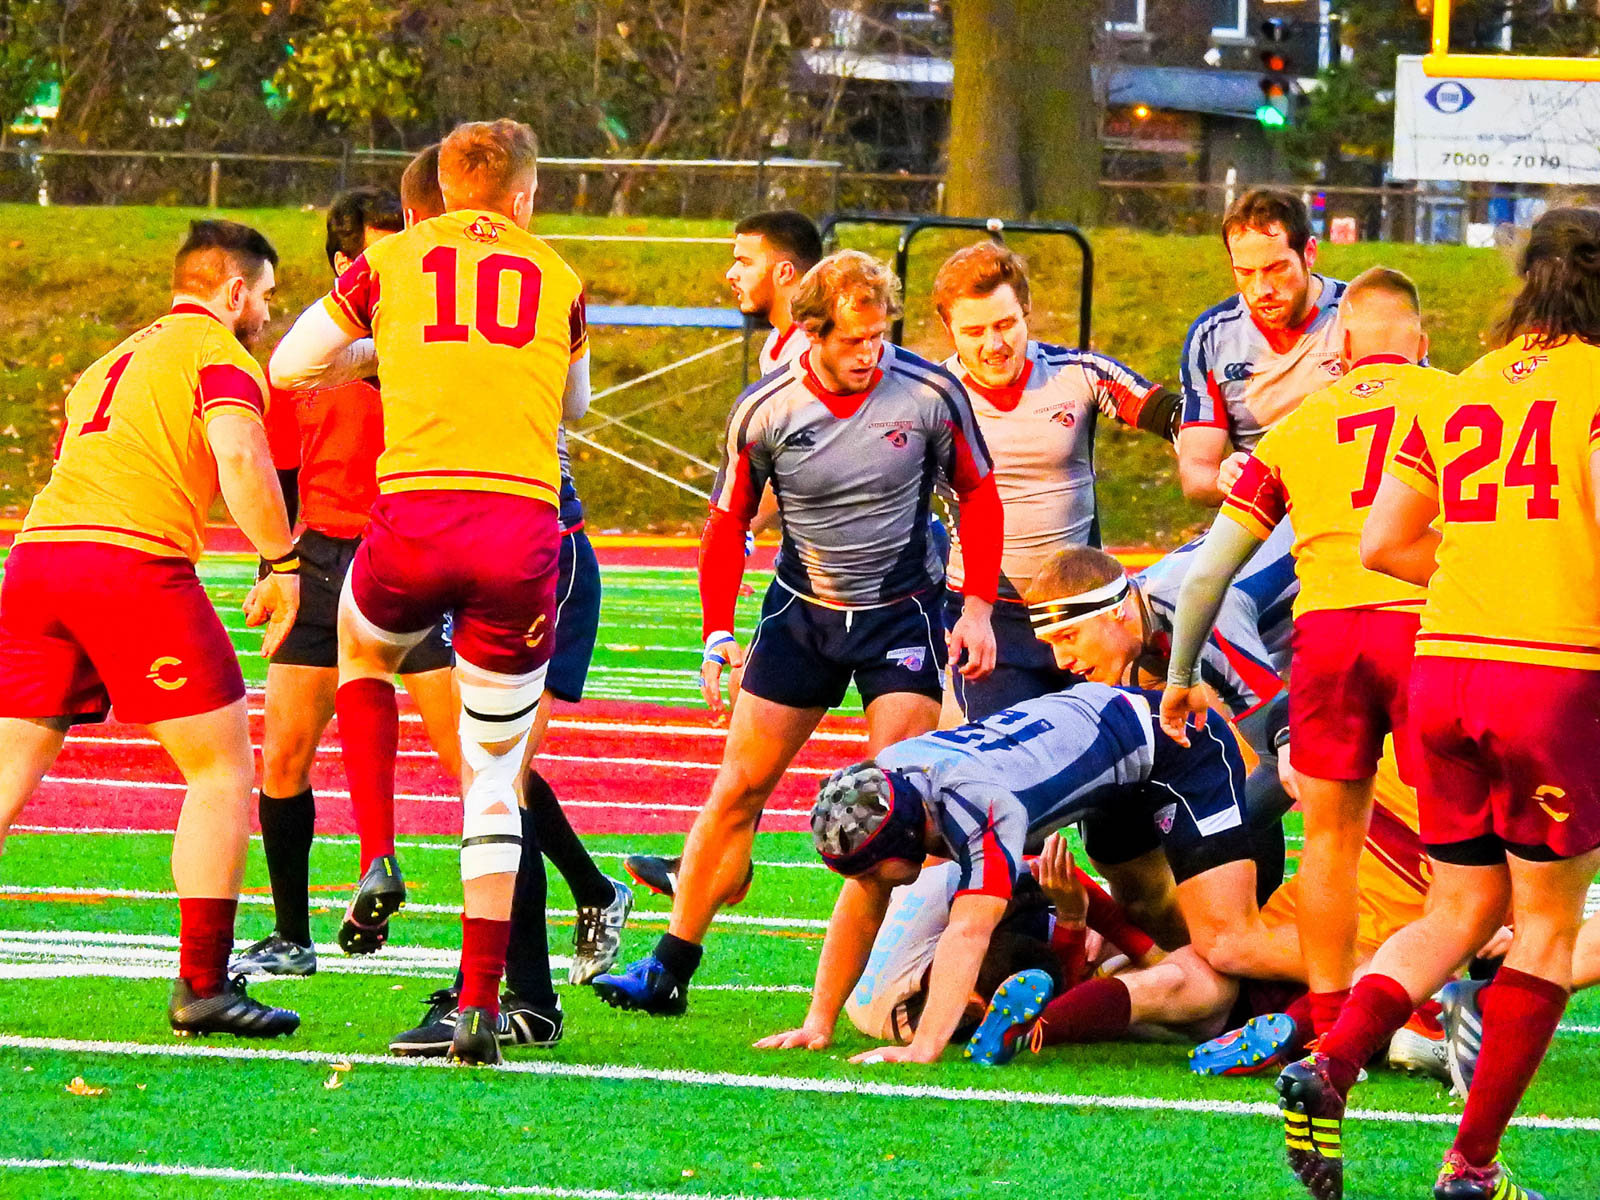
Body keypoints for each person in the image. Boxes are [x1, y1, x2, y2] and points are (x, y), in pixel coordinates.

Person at [1276, 206, 1600, 1200]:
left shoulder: (1455, 391)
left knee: (1458, 903)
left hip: (1444, 669)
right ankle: (1469, 1165)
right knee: (1544, 927)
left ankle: (1329, 1064)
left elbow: (1383, 544)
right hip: (1550, 675)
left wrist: (1485, 574)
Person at [594, 250, 1003, 1016]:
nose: (869, 353)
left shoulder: (927, 393)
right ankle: (668, 970)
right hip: (802, 613)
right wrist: (717, 632)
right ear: (811, 332)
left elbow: (978, 496)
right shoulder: (768, 410)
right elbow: (726, 527)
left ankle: (845, 999)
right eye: (853, 340)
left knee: (889, 812)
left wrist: (976, 606)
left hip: (900, 614)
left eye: (879, 335)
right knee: (738, 788)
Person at [270, 119, 589, 1065]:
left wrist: (382, 355)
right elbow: (574, 407)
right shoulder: (558, 276)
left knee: (362, 645)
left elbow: (292, 366)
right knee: (495, 776)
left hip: (416, 517)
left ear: (443, 193)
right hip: (525, 530)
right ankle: (486, 1007)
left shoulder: (393, 262)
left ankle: (378, 848)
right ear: (525, 198)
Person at [0, 220, 300, 1037]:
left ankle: (206, 981)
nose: (269, 315)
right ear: (232, 291)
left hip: (34, 562)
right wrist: (282, 561)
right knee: (222, 768)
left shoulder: (110, 359)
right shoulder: (218, 355)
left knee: (7, 771)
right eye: (266, 297)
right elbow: (239, 457)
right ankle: (203, 983)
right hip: (125, 566)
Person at [378, 144, 631, 1058]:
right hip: (478, 547)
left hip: (535, 550)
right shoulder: (453, 285)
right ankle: (585, 901)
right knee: (489, 771)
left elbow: (568, 407)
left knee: (495, 774)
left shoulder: (468, 285)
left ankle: (515, 993)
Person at [1161, 267, 1448, 1044]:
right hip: (1428, 631)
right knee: (1454, 839)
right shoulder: (1458, 403)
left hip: (1328, 644)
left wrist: (1182, 677)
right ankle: (1430, 1003)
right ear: (1420, 344)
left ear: (1343, 342)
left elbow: (1207, 576)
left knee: (1329, 841)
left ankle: (1327, 1025)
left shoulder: (1296, 426)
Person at [756, 683, 1273, 1065]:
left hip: (1174, 746)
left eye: (871, 869)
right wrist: (817, 1022)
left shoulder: (978, 804)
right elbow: (862, 904)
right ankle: (1239, 1007)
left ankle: (1343, 991)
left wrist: (924, 1047)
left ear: (909, 837)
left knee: (1227, 943)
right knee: (1168, 937)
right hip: (1108, 754)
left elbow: (969, 929)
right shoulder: (895, 775)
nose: (868, 883)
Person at [231, 187, 460, 978]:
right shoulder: (304, 359)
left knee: (477, 757)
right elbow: (283, 479)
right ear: (344, 263)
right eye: (380, 249)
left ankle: (578, 889)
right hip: (322, 563)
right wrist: (274, 568)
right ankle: (292, 938)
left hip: (406, 556)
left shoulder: (429, 343)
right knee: (283, 756)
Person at [966, 743, 1434, 1078]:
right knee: (1392, 978)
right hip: (1352, 952)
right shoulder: (1468, 796)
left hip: (1278, 931)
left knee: (1175, 980)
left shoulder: (1374, 741)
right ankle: (1290, 1034)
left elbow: (1275, 726)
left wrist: (1285, 742)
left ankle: (1039, 1030)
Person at [930, 240, 1180, 722]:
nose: (993, 344)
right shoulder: (930, 399)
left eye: (1005, 325)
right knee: (1004, 766)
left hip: (1085, 612)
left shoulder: (1078, 375)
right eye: (974, 331)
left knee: (1123, 763)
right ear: (949, 330)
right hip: (989, 620)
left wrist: (1224, 455)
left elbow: (1173, 415)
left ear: (1025, 310)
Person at [1020, 541, 1295, 939]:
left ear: (1118, 612)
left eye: (1069, 636)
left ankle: (1276, 933)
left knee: (1275, 763)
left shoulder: (1197, 611)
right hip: (1269, 615)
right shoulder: (1147, 625)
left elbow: (1282, 756)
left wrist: (1197, 844)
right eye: (1053, 644)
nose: (1062, 661)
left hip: (1362, 596)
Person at [846, 832, 1162, 1046]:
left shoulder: (939, 891)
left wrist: (1145, 950)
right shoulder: (911, 1020)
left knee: (1136, 947)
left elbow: (1050, 869)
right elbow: (1057, 995)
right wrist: (1073, 922)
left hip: (967, 893)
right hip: (988, 935)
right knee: (1125, 985)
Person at [1179, 189, 1345, 506]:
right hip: (1261, 515)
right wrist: (1224, 480)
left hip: (1347, 513)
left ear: (1309, 253)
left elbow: (1416, 438)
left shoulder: (1359, 316)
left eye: (1275, 269)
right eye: (1244, 272)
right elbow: (1195, 475)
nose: (1261, 289)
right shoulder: (1211, 336)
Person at [726, 209, 823, 377]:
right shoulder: (777, 340)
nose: (731, 274)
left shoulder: (817, 353)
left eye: (745, 263)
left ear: (784, 273)